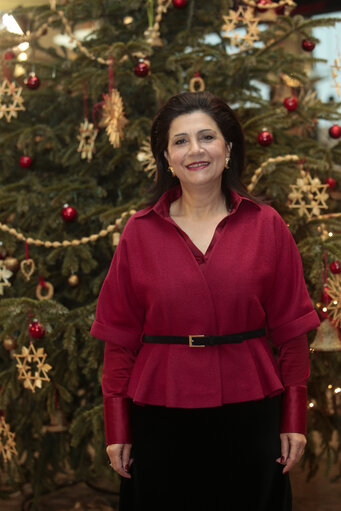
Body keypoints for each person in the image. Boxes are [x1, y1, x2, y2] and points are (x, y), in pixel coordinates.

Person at [90, 91, 320, 511]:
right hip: (159, 415)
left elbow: (291, 334)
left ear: (228, 148)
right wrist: (117, 426)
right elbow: (119, 341)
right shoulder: (138, 232)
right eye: (180, 141)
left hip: (252, 414)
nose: (195, 150)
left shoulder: (267, 226)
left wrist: (294, 418)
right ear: (166, 157)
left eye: (206, 137)